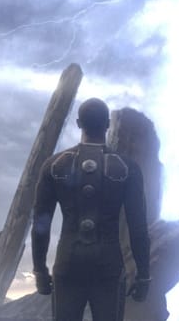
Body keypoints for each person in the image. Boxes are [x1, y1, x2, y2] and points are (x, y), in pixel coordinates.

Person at [32, 98, 151, 321]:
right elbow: (138, 227)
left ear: (79, 123)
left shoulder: (54, 165)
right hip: (109, 265)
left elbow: (40, 224)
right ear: (107, 124)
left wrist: (39, 270)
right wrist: (143, 275)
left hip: (68, 261)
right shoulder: (128, 168)